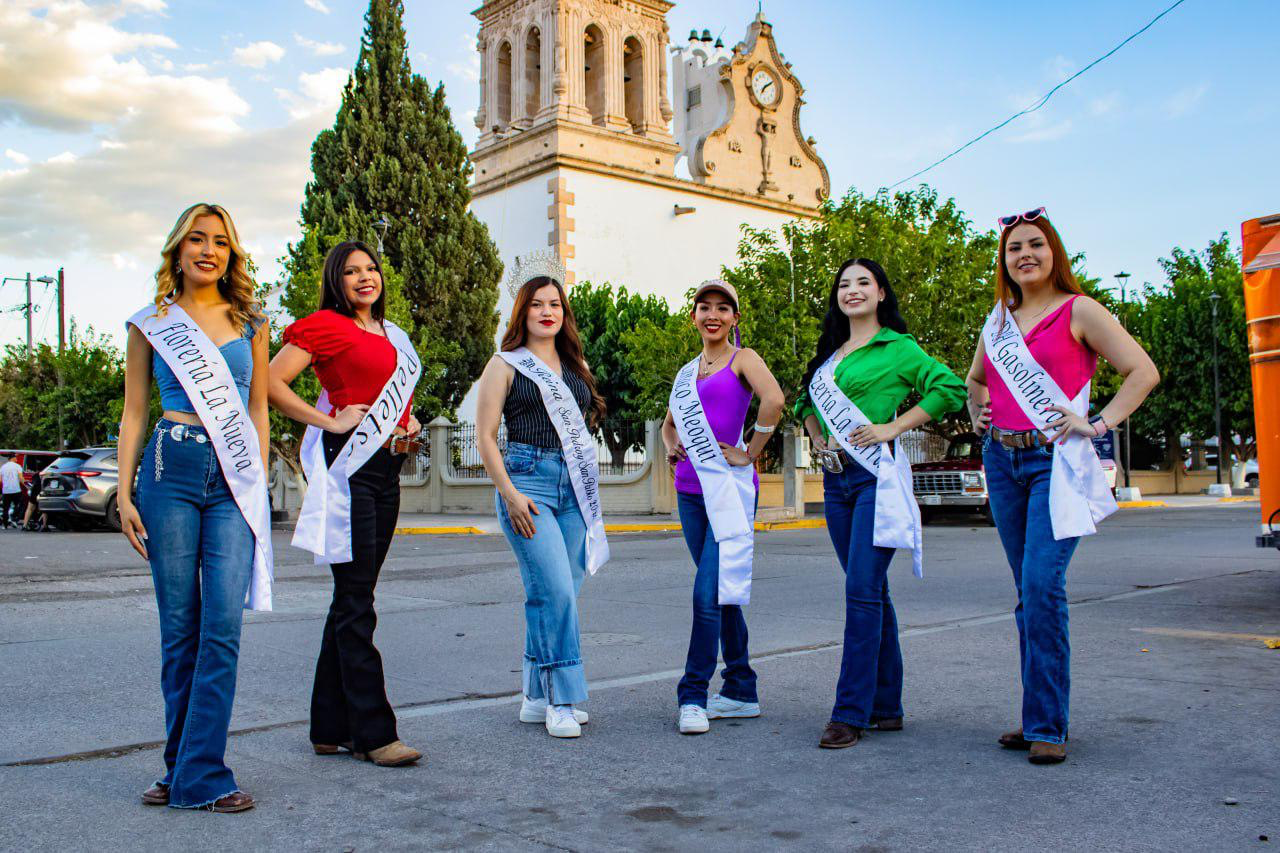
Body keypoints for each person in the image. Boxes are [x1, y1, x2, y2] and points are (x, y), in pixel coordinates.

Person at [965, 208, 1158, 764]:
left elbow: (1142, 371)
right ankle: (1037, 717)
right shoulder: (999, 318)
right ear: (1003, 261)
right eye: (1013, 248)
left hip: (1056, 465)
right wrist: (978, 410)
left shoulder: (1081, 310)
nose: (1024, 254)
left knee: (1043, 586)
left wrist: (1098, 424)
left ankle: (1048, 725)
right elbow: (976, 379)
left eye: (1035, 245)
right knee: (1029, 595)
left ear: (1054, 253)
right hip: (1001, 462)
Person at [117, 202, 273, 812]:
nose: (209, 250)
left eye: (221, 243)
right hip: (170, 470)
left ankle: (200, 770)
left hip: (232, 482)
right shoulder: (151, 324)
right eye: (197, 239)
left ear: (230, 256)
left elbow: (257, 409)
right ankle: (182, 765)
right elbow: (134, 413)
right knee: (179, 628)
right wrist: (125, 494)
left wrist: (256, 480)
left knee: (223, 627)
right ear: (178, 250)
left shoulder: (254, 323)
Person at [796, 259, 966, 751]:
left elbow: (949, 389)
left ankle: (850, 712)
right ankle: (887, 705)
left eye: (863, 283)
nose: (852, 291)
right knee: (870, 592)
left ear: (882, 294)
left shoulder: (898, 348)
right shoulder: (831, 355)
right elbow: (807, 405)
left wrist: (893, 428)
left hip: (875, 480)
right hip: (836, 483)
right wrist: (816, 436)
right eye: (844, 284)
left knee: (861, 590)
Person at [268, 240, 423, 768]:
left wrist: (410, 420)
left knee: (353, 595)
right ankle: (374, 733)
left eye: (371, 269)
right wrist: (330, 420)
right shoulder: (324, 327)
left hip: (389, 468)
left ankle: (328, 727)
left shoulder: (391, 335)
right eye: (352, 271)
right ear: (337, 281)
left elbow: (388, 394)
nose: (365, 278)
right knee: (357, 600)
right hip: (349, 466)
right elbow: (268, 381)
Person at [474, 254, 610, 739]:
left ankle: (534, 693)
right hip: (526, 485)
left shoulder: (576, 364)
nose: (547, 311)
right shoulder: (504, 364)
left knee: (557, 594)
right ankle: (561, 697)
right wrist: (507, 493)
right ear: (522, 312)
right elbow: (486, 435)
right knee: (554, 591)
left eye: (554, 303)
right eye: (537, 304)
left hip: (572, 488)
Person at [661, 280, 784, 735]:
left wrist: (750, 451)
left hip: (728, 491)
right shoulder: (685, 372)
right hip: (690, 491)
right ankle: (740, 689)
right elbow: (669, 425)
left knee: (707, 592)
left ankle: (693, 695)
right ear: (693, 316)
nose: (712, 314)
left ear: (734, 317)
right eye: (704, 307)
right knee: (723, 590)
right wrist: (672, 448)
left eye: (722, 308)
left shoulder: (743, 358)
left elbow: (774, 400)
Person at [22, 467, 49, 531]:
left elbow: (32, 484)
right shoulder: (48, 474)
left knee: (29, 508)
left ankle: (24, 525)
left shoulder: (35, 475)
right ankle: (45, 526)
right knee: (44, 510)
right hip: (42, 493)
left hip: (34, 492)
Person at [1, 455, 23, 529]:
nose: (17, 459)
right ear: (13, 458)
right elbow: (21, 478)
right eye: (16, 458)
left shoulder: (3, 467)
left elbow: (0, 480)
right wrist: (26, 484)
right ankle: (13, 518)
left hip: (6, 490)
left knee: (5, 508)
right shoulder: (18, 466)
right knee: (19, 505)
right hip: (16, 490)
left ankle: (5, 524)